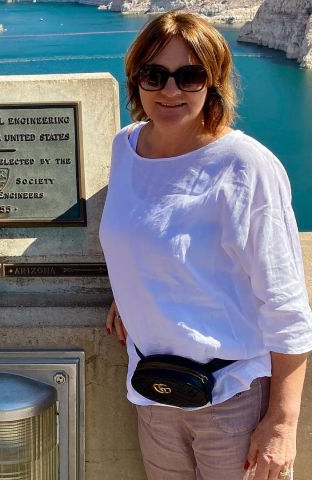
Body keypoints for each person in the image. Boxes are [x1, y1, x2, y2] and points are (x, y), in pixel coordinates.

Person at [100, 11, 312, 480]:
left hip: (232, 399)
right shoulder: (126, 146)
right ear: (136, 81)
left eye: (189, 76)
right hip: (153, 389)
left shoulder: (245, 166)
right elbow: (140, 231)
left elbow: (287, 305)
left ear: (213, 82)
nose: (170, 91)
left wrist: (282, 423)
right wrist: (133, 290)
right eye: (154, 75)